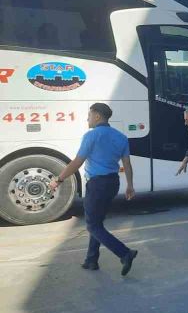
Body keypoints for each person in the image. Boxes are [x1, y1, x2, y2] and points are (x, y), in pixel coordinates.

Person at [49, 103, 137, 275]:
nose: (87, 119)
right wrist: (130, 185)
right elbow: (126, 163)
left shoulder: (92, 136)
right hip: (113, 183)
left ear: (97, 116)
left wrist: (59, 179)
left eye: (89, 115)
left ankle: (125, 253)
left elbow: (77, 162)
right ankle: (91, 260)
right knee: (96, 222)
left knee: (93, 226)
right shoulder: (121, 137)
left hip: (97, 185)